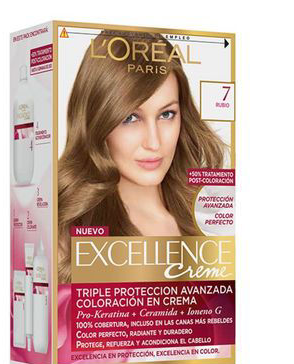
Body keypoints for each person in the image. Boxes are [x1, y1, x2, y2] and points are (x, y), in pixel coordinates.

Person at [58, 30, 226, 283]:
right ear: (97, 120)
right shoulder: (66, 233)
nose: (154, 142)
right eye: (130, 118)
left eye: (166, 114)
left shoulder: (209, 216)